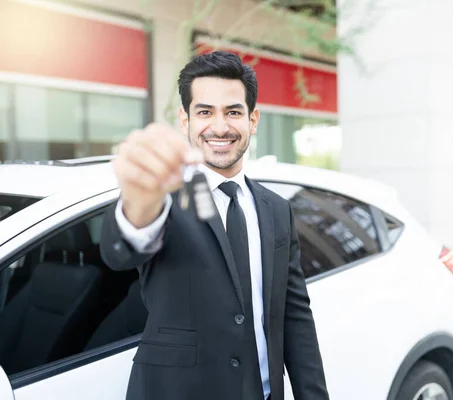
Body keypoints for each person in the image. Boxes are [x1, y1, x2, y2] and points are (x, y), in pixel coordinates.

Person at [99, 51, 329, 400]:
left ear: (253, 120)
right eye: (205, 112)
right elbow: (123, 250)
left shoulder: (277, 209)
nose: (220, 127)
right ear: (185, 119)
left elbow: (295, 317)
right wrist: (138, 200)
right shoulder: (162, 196)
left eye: (233, 112)